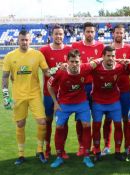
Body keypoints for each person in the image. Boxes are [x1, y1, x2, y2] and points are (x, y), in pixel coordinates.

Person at [1, 30, 49, 165]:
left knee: (42, 122)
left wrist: (59, 70)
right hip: (18, 96)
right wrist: (5, 95)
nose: (24, 42)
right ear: (18, 40)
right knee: (20, 124)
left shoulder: (37, 54)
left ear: (30, 40)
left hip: (34, 95)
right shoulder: (10, 56)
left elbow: (47, 72)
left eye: (26, 40)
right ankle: (21, 154)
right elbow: (5, 77)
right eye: (22, 40)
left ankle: (39, 151)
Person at [47, 49, 97, 168]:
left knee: (86, 125)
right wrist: (55, 102)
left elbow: (99, 61)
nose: (74, 64)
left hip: (81, 102)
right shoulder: (60, 72)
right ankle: (59, 157)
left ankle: (86, 156)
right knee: (59, 127)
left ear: (80, 61)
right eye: (72, 61)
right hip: (64, 103)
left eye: (77, 61)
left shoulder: (85, 68)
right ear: (67, 62)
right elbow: (49, 85)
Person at [39, 24, 72, 159]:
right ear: (51, 35)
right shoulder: (44, 50)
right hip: (49, 93)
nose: (58, 36)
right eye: (56, 34)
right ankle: (47, 148)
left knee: (63, 122)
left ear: (64, 36)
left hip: (65, 94)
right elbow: (45, 71)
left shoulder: (70, 50)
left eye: (61, 34)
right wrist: (58, 69)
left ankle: (61, 149)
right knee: (48, 121)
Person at [72, 22, 105, 156]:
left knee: (96, 118)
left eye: (92, 31)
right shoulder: (75, 46)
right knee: (80, 118)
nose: (90, 34)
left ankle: (95, 146)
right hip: (81, 87)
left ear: (95, 32)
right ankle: (82, 145)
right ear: (83, 32)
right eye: (88, 31)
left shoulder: (101, 46)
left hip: (96, 86)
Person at [102, 24, 130, 155]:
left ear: (124, 34)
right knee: (108, 118)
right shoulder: (107, 49)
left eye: (121, 33)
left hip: (125, 90)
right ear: (113, 34)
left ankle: (127, 146)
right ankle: (107, 146)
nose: (119, 35)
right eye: (117, 33)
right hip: (109, 90)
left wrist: (127, 66)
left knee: (125, 118)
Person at [91, 46, 126, 162]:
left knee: (118, 125)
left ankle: (117, 151)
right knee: (96, 126)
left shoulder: (120, 67)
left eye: (113, 56)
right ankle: (96, 150)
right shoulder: (95, 68)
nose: (111, 58)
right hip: (98, 102)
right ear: (103, 56)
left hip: (114, 101)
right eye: (108, 56)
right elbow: (81, 68)